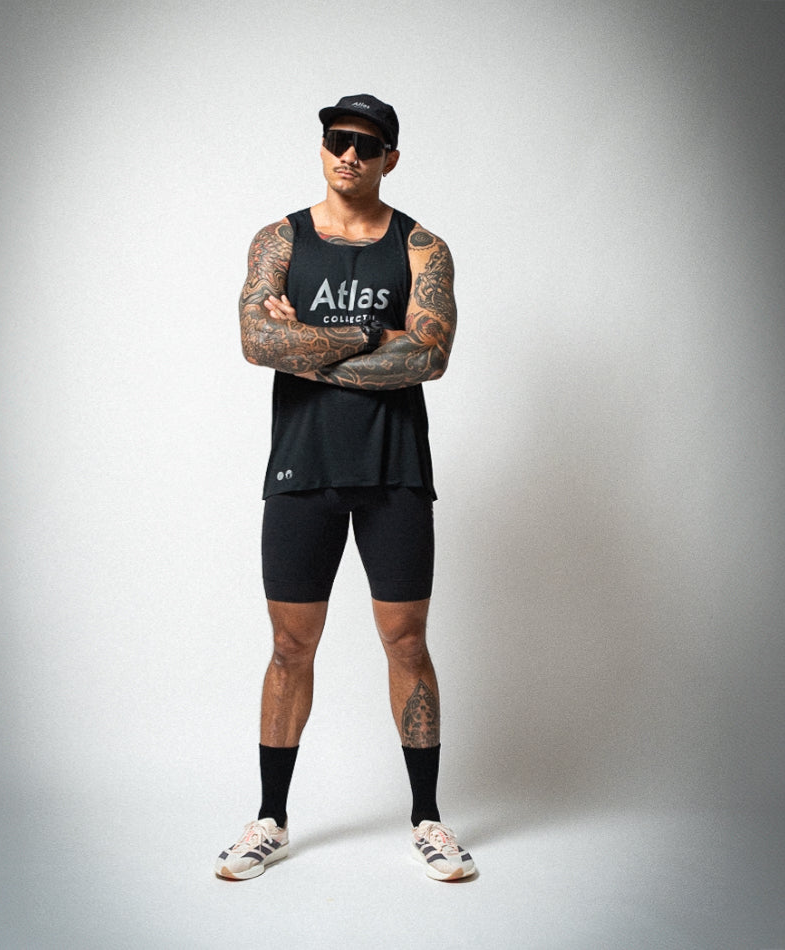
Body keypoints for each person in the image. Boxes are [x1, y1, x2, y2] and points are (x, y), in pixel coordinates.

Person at [215, 95, 474, 883]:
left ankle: (428, 819)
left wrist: (308, 346)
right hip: (304, 469)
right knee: (290, 647)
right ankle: (271, 818)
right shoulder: (280, 240)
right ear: (323, 146)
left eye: (365, 144)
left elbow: (428, 357)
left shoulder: (423, 249)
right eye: (337, 139)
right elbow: (257, 340)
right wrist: (368, 335)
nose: (349, 155)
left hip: (395, 470)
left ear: (390, 157)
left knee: (406, 642)